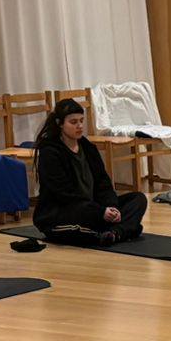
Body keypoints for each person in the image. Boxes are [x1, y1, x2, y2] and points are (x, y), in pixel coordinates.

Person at [32, 97, 147, 246]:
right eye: (73, 122)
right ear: (60, 123)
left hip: (93, 208)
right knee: (77, 225)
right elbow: (65, 195)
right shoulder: (50, 153)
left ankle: (114, 233)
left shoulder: (88, 147)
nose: (79, 126)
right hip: (65, 211)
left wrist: (111, 207)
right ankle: (122, 230)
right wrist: (99, 212)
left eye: (81, 121)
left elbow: (103, 183)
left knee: (138, 199)